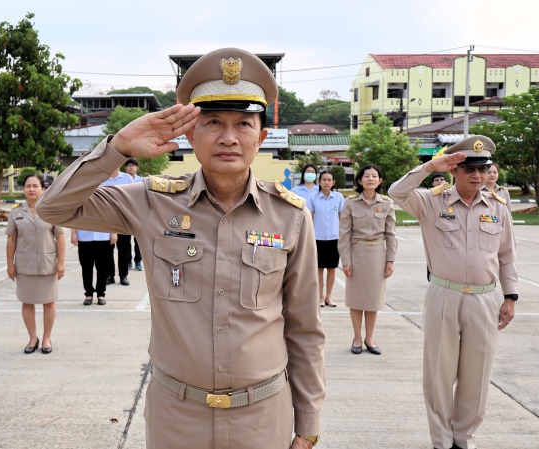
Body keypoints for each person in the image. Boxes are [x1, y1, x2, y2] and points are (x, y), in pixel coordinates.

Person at [37, 47, 325, 449]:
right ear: (190, 134)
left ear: (261, 137)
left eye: (243, 123)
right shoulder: (153, 202)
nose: (228, 137)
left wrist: (307, 421)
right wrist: (117, 147)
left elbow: (304, 328)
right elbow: (53, 207)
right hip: (177, 416)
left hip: (262, 416)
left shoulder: (290, 216)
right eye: (212, 122)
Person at [388, 135, 517, 449]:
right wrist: (430, 165)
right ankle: (442, 442)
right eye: (469, 168)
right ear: (454, 171)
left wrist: (510, 296)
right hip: (444, 295)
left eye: (482, 168)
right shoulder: (432, 201)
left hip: (485, 299)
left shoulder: (498, 206)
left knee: (478, 374)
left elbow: (506, 254)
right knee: (439, 375)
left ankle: (464, 438)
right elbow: (396, 192)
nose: (477, 175)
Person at [338, 164, 397, 355]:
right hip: (357, 254)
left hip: (378, 255)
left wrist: (390, 260)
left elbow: (391, 235)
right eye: (366, 176)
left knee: (373, 300)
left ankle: (369, 338)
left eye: (374, 176)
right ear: (360, 180)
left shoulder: (387, 204)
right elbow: (344, 234)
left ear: (380, 181)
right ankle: (356, 337)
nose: (370, 179)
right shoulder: (351, 203)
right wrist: (346, 261)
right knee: (356, 300)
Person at [6, 174, 66, 354]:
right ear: (23, 189)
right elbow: (11, 239)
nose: (31, 189)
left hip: (48, 264)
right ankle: (33, 338)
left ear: (43, 189)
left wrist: (61, 262)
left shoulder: (51, 210)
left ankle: (47, 338)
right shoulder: (16, 212)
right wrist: (10, 264)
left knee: (49, 302)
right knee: (27, 302)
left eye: (35, 186)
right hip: (25, 266)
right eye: (27, 186)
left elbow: (60, 237)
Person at [307, 171, 344, 307]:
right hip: (317, 238)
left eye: (329, 180)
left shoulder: (339, 197)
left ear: (333, 182)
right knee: (319, 269)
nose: (326, 182)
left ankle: (329, 296)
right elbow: (309, 216)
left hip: (334, 238)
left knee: (332, 269)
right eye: (324, 180)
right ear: (319, 182)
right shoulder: (313, 197)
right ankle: (320, 297)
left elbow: (342, 217)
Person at [103, 169, 134, 285]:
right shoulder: (102, 178)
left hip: (123, 219)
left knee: (124, 250)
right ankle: (109, 275)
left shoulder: (127, 178)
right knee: (107, 250)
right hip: (107, 220)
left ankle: (123, 275)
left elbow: (132, 198)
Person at [71, 228, 114, 305]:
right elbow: (75, 216)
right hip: (84, 237)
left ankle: (101, 294)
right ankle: (89, 293)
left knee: (102, 268)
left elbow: (112, 216)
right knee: (86, 268)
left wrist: (114, 232)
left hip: (103, 236)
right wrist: (73, 233)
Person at [124, 158, 144, 271]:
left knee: (139, 240)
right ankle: (127, 261)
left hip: (138, 214)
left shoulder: (142, 181)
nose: (131, 167)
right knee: (125, 241)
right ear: (126, 168)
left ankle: (138, 261)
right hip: (126, 214)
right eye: (129, 165)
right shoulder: (123, 180)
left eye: (133, 165)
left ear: (137, 168)